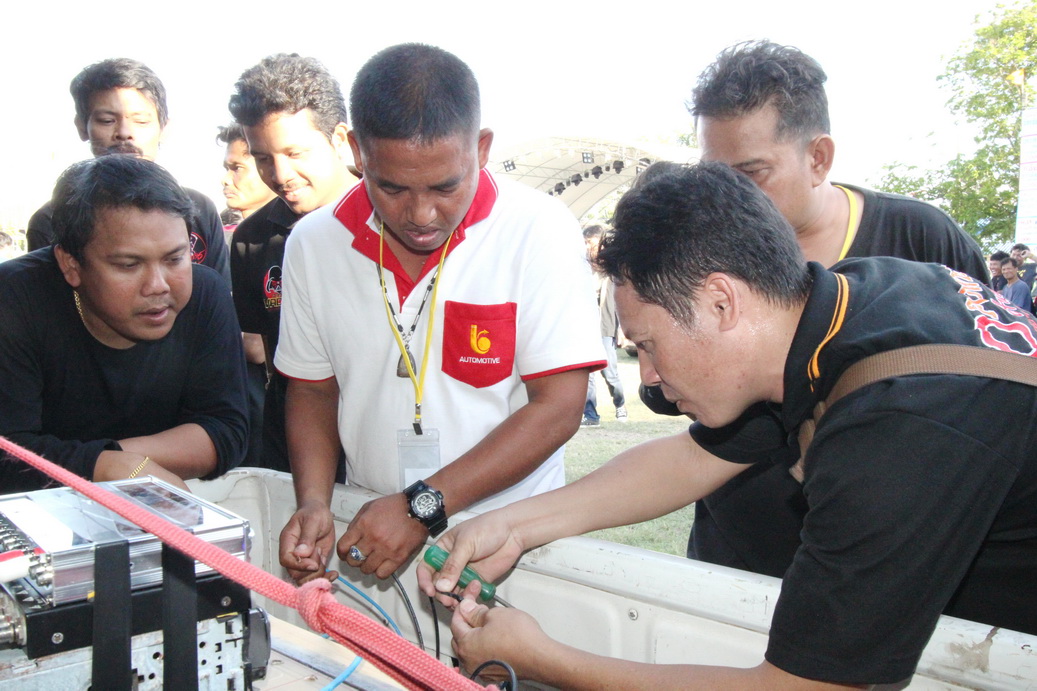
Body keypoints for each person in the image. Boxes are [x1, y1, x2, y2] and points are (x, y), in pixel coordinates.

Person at [419, 162, 1037, 689]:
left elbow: (802, 688)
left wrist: (543, 658)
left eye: (649, 345)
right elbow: (694, 459)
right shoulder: (851, 310)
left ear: (722, 301)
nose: (649, 378)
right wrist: (510, 525)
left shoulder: (897, 427)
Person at [645, 40, 989, 578]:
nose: (728, 198)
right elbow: (663, 391)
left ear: (819, 158)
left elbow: (984, 393)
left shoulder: (921, 237)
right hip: (732, 550)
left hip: (881, 559)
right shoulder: (696, 247)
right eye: (714, 176)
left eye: (751, 174)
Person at [276, 43, 604, 583]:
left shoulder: (538, 230)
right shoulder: (314, 243)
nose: (421, 214)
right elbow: (312, 390)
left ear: (482, 148)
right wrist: (314, 500)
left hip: (508, 537)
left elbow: (558, 408)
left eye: (445, 186)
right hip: (372, 525)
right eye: (392, 188)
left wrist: (420, 507)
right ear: (356, 151)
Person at [0, 156, 248, 494]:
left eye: (175, 259)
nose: (158, 285)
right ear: (71, 265)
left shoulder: (206, 295)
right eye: (129, 265)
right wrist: (103, 466)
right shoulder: (15, 301)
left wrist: (115, 461)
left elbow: (226, 431)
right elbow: (9, 454)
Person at [228, 53, 358, 473]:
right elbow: (271, 354)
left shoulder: (395, 223)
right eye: (263, 157)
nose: (280, 174)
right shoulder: (251, 240)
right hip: (294, 445)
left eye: (295, 152)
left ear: (340, 138)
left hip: (375, 438)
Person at [25, 58, 230, 286]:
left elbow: (219, 292)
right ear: (82, 127)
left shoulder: (199, 209)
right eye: (107, 120)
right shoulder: (50, 220)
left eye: (140, 121)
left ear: (164, 127)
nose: (124, 133)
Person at [580, 224, 627, 426]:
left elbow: (619, 302)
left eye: (589, 242)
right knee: (588, 375)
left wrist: (621, 329)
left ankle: (620, 405)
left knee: (610, 374)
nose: (587, 246)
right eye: (585, 242)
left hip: (605, 328)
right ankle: (591, 415)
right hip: (585, 329)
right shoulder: (582, 268)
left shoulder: (611, 270)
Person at [217, 122, 275, 236]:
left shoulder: (303, 231)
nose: (225, 180)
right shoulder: (223, 239)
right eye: (227, 169)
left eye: (237, 168)